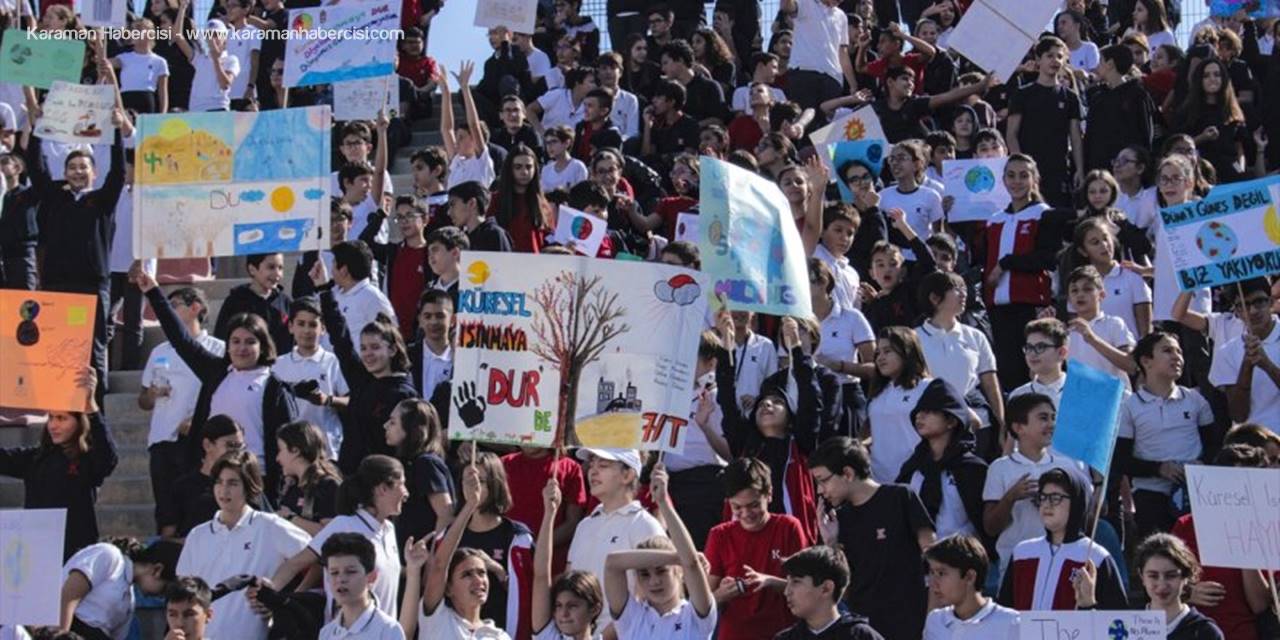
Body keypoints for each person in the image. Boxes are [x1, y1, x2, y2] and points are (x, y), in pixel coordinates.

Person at [136, 268, 295, 502]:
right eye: (236, 341)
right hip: (213, 479)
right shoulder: (216, 373)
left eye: (250, 342)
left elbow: (285, 439)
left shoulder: (274, 387)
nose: (242, 348)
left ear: (262, 345)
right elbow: (181, 339)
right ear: (227, 345)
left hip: (256, 480)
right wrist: (153, 292)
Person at [807, 437, 934, 640]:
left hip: (910, 621)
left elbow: (933, 555)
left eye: (823, 480)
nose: (820, 490)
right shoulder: (838, 520)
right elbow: (841, 590)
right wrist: (831, 542)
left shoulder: (900, 497)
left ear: (847, 473)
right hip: (865, 629)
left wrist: (933, 613)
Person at [176, 451, 311, 640]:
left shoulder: (269, 526)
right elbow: (184, 593)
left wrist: (282, 599)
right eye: (219, 482)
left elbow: (317, 555)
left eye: (232, 483)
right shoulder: (197, 535)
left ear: (249, 486)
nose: (224, 490)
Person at [715, 316, 825, 542]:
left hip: (791, 539)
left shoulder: (800, 443)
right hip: (748, 540)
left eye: (776, 402)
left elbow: (810, 397)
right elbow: (726, 397)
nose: (767, 405)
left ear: (790, 417)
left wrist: (796, 347)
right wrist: (727, 347)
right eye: (762, 403)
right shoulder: (746, 445)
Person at [265, 455, 408, 620]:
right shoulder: (344, 525)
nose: (406, 492)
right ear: (382, 489)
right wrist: (268, 594)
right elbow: (296, 563)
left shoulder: (389, 529)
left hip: (385, 631)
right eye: (402, 484)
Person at [310, 257, 417, 474]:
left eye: (375, 347)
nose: (368, 354)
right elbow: (341, 340)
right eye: (364, 348)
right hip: (351, 477)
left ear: (392, 350)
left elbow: (408, 447)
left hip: (384, 480)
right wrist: (324, 290)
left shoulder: (404, 394)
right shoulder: (362, 380)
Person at [0, 369, 116, 560]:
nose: (53, 425)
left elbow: (108, 459)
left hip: (76, 554)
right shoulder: (36, 458)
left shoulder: (87, 459)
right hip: (38, 551)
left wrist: (91, 407)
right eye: (51, 417)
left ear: (79, 423)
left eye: (62, 418)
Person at [139, 286, 225, 533]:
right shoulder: (159, 351)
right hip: (161, 439)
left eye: (174, 305)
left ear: (196, 307)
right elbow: (142, 401)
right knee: (166, 512)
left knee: (195, 509)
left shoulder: (217, 348)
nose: (168, 311)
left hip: (196, 440)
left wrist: (198, 420)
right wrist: (151, 395)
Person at [1171, 444, 1274, 640]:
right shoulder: (1186, 525)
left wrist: (1245, 543)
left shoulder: (1270, 529)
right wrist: (1187, 592)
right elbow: (1159, 582)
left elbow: (1260, 605)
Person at [1118, 332, 1215, 538]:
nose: (1176, 357)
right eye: (1167, 351)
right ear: (1146, 361)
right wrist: (1159, 469)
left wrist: (1201, 464)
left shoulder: (1196, 400)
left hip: (1196, 493)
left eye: (1179, 352)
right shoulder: (1129, 406)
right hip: (1151, 497)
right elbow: (1121, 460)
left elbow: (1213, 445)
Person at [603, 463, 717, 639]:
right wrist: (678, 558)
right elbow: (612, 563)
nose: (654, 581)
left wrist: (663, 502)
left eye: (661, 571)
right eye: (644, 574)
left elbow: (692, 564)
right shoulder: (631, 617)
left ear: (679, 572)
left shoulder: (695, 616)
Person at [979, 154, 1062, 391]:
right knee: (1007, 371)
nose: (1017, 182)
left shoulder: (1044, 214)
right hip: (998, 307)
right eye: (1011, 175)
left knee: (1036, 368)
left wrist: (1006, 263)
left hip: (1031, 303)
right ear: (1003, 180)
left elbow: (1048, 258)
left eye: (1024, 176)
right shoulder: (994, 220)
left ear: (1034, 179)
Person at [403, 463, 511, 639]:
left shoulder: (500, 636)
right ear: (448, 589)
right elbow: (439, 565)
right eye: (467, 574)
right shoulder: (437, 619)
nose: (478, 580)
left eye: (482, 573)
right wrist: (470, 505)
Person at [705, 457, 808, 640]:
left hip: (782, 632)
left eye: (753, 505)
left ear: (769, 495)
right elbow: (705, 603)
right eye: (737, 507)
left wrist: (769, 581)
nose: (746, 514)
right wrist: (722, 594)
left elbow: (806, 588)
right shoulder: (719, 535)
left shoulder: (789, 527)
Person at [996, 468, 1127, 610]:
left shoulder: (1096, 557)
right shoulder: (1022, 552)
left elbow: (1117, 618)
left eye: (1055, 498)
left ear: (1076, 503)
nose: (1047, 504)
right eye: (1043, 497)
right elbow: (1004, 610)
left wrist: (1089, 605)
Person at [565, 448, 664, 630]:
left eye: (603, 465)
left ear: (627, 475)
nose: (593, 471)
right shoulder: (584, 525)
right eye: (591, 464)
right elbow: (569, 583)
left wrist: (605, 636)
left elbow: (650, 596)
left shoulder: (645, 525)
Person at [452, 452, 535, 638]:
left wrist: (497, 570)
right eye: (468, 481)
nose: (473, 487)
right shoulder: (450, 535)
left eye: (480, 481)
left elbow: (530, 595)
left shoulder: (518, 537)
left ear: (495, 484)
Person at [915, 270, 1003, 442]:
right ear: (934, 298)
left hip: (977, 423)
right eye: (956, 289)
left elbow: (990, 384)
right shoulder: (915, 338)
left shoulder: (975, 336)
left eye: (964, 288)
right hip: (932, 425)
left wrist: (1002, 423)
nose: (964, 294)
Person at [896, 379, 987, 541]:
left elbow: (984, 523)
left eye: (930, 411)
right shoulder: (913, 466)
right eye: (918, 411)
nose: (920, 416)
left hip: (962, 552)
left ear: (951, 421)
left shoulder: (972, 469)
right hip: (917, 552)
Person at [1006, 37, 1084, 206]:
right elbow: (1011, 134)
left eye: (1060, 56)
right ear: (1038, 59)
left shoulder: (1070, 97)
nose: (1055, 60)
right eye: (1050, 55)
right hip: (1029, 172)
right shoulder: (1022, 94)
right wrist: (1021, 167)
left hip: (1059, 171)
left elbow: (1076, 137)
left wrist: (1079, 169)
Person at [58, 538, 180, 640]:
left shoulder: (129, 601)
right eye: (165, 589)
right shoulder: (110, 556)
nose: (160, 596)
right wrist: (61, 635)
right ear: (157, 570)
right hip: (72, 628)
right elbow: (68, 595)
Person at [271, 298, 348, 459]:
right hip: (290, 451)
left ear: (323, 329)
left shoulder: (333, 362)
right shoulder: (278, 365)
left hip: (326, 450)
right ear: (291, 327)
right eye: (301, 324)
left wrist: (327, 400)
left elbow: (350, 400)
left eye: (313, 325)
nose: (306, 331)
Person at [531, 476, 603, 640]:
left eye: (572, 606)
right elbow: (541, 576)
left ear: (594, 608)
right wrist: (549, 514)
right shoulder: (549, 636)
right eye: (558, 606)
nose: (563, 614)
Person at [865, 326, 934, 483]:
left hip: (916, 481)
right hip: (879, 482)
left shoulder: (927, 386)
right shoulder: (878, 392)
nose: (880, 358)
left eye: (887, 351)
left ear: (907, 351)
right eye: (878, 353)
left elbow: (970, 419)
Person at [384, 398, 454, 549]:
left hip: (424, 556)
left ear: (412, 428)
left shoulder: (426, 464)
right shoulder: (408, 462)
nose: (386, 426)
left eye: (393, 422)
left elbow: (446, 514)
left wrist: (435, 554)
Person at [1209, 276, 1279, 426]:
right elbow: (1239, 415)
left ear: (1271, 302)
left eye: (1259, 302)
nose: (1252, 311)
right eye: (1243, 305)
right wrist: (1247, 366)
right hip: (1252, 437)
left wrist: (1267, 365)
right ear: (1236, 311)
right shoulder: (1227, 352)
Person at [774, 545, 884, 640]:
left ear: (826, 588)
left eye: (796, 581)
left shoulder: (861, 636)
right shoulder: (785, 638)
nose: (786, 592)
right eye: (788, 582)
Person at [359, 198, 432, 339]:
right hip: (394, 332)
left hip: (422, 333)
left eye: (410, 215)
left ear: (425, 219)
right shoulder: (393, 251)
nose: (404, 221)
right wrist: (380, 215)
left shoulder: (432, 253)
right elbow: (364, 243)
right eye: (400, 217)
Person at [922, 534, 1019, 639]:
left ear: (970, 577)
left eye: (941, 573)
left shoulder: (1013, 622)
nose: (933, 582)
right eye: (932, 572)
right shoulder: (934, 621)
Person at [317, 533, 405, 640]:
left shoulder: (388, 629)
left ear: (371, 576)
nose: (341, 579)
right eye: (334, 573)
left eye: (350, 571)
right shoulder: (326, 633)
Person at [1084, 44, 1156, 172]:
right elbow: (1090, 136)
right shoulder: (1097, 97)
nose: (1097, 66)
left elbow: (1145, 133)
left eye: (1100, 61)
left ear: (1110, 64)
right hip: (1100, 169)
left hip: (1129, 168)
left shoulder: (1137, 95)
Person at [778, 0, 857, 116]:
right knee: (802, 121)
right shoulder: (806, 3)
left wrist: (853, 85)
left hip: (832, 79)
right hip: (803, 75)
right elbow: (786, 6)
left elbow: (843, 53)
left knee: (826, 125)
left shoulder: (841, 16)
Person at [1065, 265, 1138, 387]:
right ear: (1069, 299)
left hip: (1114, 396)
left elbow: (1131, 365)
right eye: (1074, 290)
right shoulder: (1066, 332)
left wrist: (1092, 339)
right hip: (1080, 396)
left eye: (1087, 289)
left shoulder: (1114, 324)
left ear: (1102, 294)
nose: (1080, 295)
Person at [212, 253, 293, 357]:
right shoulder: (236, 301)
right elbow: (221, 337)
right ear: (252, 269)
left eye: (280, 268)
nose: (277, 273)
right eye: (271, 267)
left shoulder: (285, 302)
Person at [274, 420, 342, 536]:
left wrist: (291, 518)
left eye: (280, 450)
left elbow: (332, 534)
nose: (277, 458)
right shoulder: (291, 485)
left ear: (295, 450)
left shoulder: (328, 486)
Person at [441, 61, 496, 189]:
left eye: (461, 137)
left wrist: (465, 88)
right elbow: (446, 129)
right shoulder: (457, 162)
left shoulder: (481, 161)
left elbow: (474, 125)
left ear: (474, 139)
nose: (456, 142)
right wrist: (446, 92)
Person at [490, 144, 554, 253]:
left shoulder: (542, 203)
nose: (524, 172)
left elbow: (549, 238)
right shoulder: (496, 200)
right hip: (504, 260)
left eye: (529, 167)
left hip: (535, 261)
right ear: (510, 169)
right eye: (518, 167)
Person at [1008, 319, 1070, 409]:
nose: (1032, 354)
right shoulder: (1018, 396)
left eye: (1040, 347)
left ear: (1061, 352)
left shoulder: (1082, 392)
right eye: (1029, 347)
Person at [448, 181, 515, 252]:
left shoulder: (495, 235)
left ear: (472, 203)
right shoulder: (462, 239)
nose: (449, 212)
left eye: (453, 205)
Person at [541, 126, 590, 192]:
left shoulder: (578, 167)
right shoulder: (546, 169)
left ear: (567, 143)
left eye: (554, 141)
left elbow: (582, 193)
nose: (549, 146)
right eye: (547, 143)